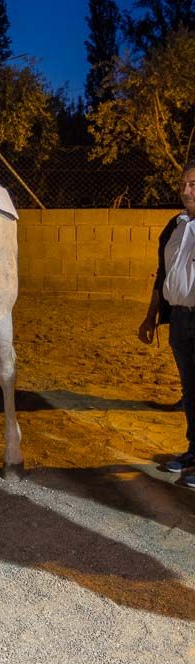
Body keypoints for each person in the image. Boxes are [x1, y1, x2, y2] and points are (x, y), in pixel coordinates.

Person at [138, 162, 195, 487]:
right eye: (184, 184)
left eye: (193, 185)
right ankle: (193, 450)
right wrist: (151, 316)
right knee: (190, 390)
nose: (186, 191)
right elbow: (163, 276)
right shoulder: (175, 226)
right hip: (180, 319)